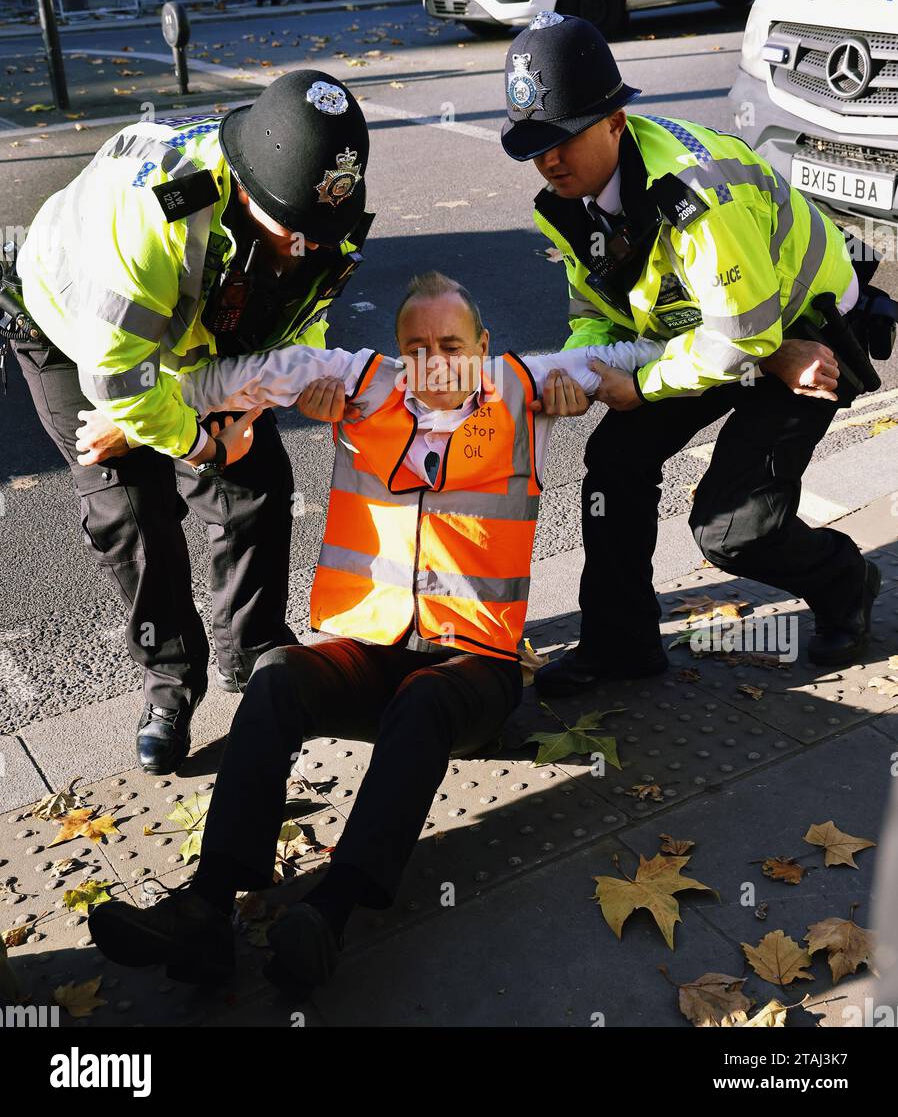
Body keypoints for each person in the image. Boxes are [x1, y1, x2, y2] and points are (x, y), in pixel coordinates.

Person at [85, 270, 663, 991]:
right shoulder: (361, 385)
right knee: (277, 674)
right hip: (369, 655)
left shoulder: (526, 390)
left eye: (450, 343)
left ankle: (328, 912)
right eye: (414, 346)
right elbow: (247, 376)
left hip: (473, 673)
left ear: (481, 345)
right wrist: (136, 412)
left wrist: (755, 353)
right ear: (396, 352)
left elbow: (643, 358)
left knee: (424, 699)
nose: (432, 360)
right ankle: (207, 901)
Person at [500, 12, 885, 694]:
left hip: (807, 330)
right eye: (533, 145)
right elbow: (598, 313)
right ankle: (621, 645)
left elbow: (748, 335)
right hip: (718, 335)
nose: (548, 160)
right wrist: (578, 370)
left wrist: (643, 384)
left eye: (562, 138)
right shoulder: (570, 204)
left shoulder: (693, 192)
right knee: (614, 461)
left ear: (615, 122)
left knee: (733, 528)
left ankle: (845, 581)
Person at [12, 72, 375, 774]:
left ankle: (254, 650)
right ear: (244, 189)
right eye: (292, 230)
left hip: (190, 345)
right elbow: (118, 377)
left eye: (320, 231)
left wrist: (253, 404)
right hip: (69, 328)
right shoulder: (155, 215)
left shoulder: (315, 216)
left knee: (257, 479)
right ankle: (170, 683)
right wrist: (201, 437)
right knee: (130, 504)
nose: (308, 245)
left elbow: (304, 319)